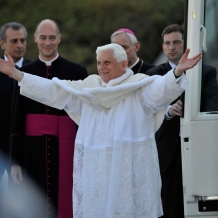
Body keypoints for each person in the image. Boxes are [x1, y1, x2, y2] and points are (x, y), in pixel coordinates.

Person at [0, 43, 201, 218]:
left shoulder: (139, 87)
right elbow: (53, 90)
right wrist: (16, 73)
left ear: (123, 64)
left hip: (126, 170)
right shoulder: (88, 90)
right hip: (96, 171)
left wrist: (176, 72)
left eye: (107, 62)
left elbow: (160, 90)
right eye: (99, 63)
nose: (101, 67)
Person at [9, 19, 88, 218]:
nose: (48, 42)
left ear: (59, 39)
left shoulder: (77, 71)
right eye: (43, 37)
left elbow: (84, 117)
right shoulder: (23, 73)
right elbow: (17, 117)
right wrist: (15, 161)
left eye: (52, 38)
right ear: (35, 39)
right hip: (31, 149)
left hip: (68, 146)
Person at [146, 24, 218, 218]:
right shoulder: (152, 75)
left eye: (177, 42)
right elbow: (147, 109)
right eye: (167, 43)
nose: (172, 47)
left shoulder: (207, 72)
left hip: (199, 147)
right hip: (166, 151)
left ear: (186, 45)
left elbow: (213, 105)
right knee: (169, 206)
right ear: (162, 47)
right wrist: (168, 111)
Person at [0, 22, 31, 186]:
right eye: (14, 41)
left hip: (25, 149)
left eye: (23, 40)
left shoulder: (35, 71)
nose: (19, 45)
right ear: (2, 43)